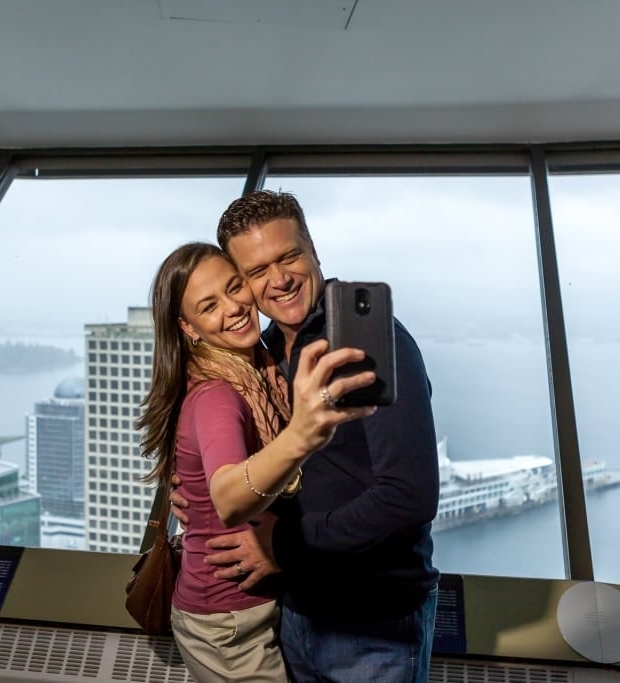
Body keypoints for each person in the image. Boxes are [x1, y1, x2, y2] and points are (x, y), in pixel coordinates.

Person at [177, 191, 441, 682]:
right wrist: (202, 496)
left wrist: (283, 544)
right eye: (256, 272)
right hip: (293, 611)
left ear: (313, 249)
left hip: (371, 623)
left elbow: (409, 497)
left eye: (289, 256)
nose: (278, 280)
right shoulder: (266, 353)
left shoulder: (367, 342)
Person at [138, 241, 376, 683]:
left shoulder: (262, 368)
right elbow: (228, 496)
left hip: (261, 605)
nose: (233, 308)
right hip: (228, 622)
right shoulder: (219, 395)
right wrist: (303, 434)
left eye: (234, 288)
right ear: (187, 327)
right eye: (210, 306)